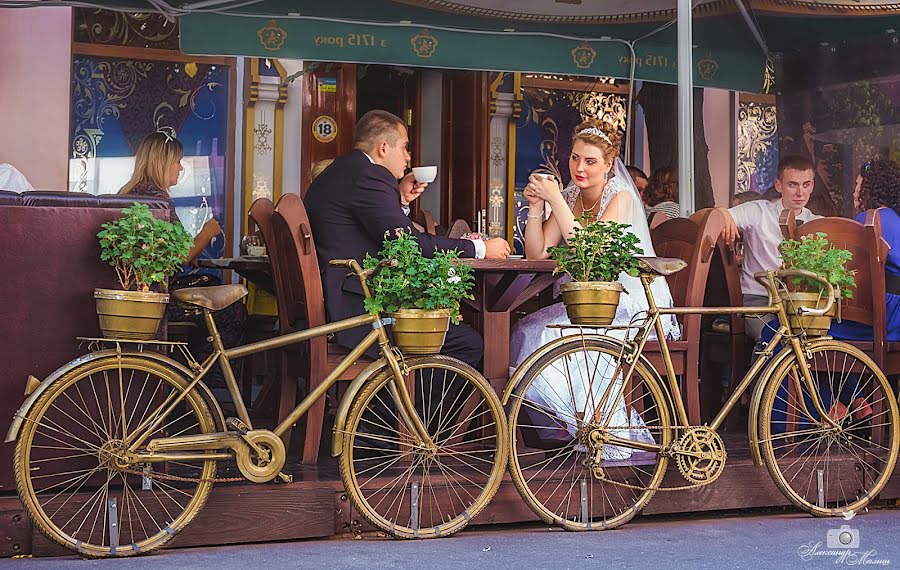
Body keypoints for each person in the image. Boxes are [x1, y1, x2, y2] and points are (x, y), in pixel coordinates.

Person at [510, 118, 680, 447]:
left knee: (551, 335)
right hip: (587, 300)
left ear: (608, 165)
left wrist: (556, 200)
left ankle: (606, 433)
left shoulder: (621, 198)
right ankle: (565, 425)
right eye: (575, 158)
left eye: (590, 161)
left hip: (627, 302)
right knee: (524, 329)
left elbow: (590, 250)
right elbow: (538, 251)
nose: (580, 167)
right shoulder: (572, 194)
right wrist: (536, 207)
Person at [304, 109, 510, 368]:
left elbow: (372, 229)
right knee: (467, 343)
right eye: (404, 147)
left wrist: (399, 200)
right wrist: (479, 248)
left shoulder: (340, 171)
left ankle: (392, 405)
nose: (409, 157)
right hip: (356, 311)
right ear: (382, 148)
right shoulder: (370, 175)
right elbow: (410, 245)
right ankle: (404, 408)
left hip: (332, 304)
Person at [119, 128, 246, 363]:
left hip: (136, 292)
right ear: (162, 162)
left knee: (211, 283)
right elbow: (181, 256)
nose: (180, 167)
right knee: (233, 311)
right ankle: (202, 380)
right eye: (177, 161)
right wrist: (207, 233)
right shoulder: (158, 201)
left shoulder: (129, 193)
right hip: (156, 298)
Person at [717, 155, 820, 342]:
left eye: (806, 185)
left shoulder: (817, 223)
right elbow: (717, 216)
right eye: (792, 185)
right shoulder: (758, 211)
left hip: (798, 304)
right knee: (774, 337)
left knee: (815, 340)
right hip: (757, 300)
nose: (800, 193)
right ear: (779, 186)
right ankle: (763, 372)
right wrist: (723, 213)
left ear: (812, 186)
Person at [827, 158, 900, 343]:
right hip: (895, 317)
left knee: (783, 332)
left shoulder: (867, 220)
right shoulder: (896, 220)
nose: (854, 192)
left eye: (858, 185)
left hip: (882, 317)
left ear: (869, 189)